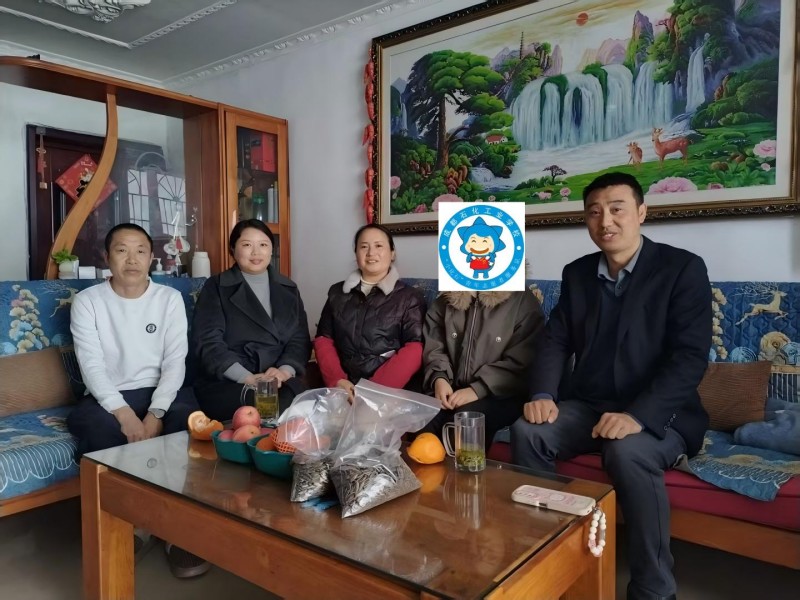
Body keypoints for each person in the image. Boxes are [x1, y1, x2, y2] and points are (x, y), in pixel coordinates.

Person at [510, 172, 712, 600]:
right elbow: (556, 339)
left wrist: (638, 416)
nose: (606, 221)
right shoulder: (578, 273)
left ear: (641, 212)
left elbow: (690, 357)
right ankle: (549, 559)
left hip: (660, 412)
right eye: (594, 211)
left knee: (627, 451)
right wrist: (543, 394)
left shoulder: (682, 268)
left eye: (617, 209)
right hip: (590, 405)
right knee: (529, 431)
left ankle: (654, 588)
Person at [66, 222, 209, 579]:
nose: (132, 259)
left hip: (164, 390)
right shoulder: (87, 302)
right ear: (106, 257)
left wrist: (156, 412)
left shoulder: (168, 299)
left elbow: (175, 362)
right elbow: (91, 366)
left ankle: (179, 531)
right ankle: (129, 524)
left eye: (140, 251)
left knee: (189, 428)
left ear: (151, 258)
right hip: (109, 396)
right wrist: (124, 414)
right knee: (99, 430)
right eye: (121, 250)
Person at [192, 219, 311, 421]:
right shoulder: (216, 287)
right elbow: (208, 342)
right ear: (233, 249)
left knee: (309, 406)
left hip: (279, 379)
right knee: (266, 410)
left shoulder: (288, 288)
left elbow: (299, 339)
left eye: (263, 245)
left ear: (271, 249)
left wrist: (284, 371)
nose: (256, 252)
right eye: (247, 245)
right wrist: (245, 377)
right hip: (230, 381)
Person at [420, 286, 544, 447]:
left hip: (500, 394)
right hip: (450, 388)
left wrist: (478, 389)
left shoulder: (523, 301)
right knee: (424, 422)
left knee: (464, 427)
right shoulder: (447, 297)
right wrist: (439, 377)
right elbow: (435, 344)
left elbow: (522, 361)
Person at [314, 224, 426, 398]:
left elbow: (414, 348)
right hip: (342, 387)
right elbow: (323, 339)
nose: (371, 252)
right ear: (356, 254)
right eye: (364, 246)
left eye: (379, 246)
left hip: (387, 392)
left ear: (392, 253)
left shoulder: (409, 297)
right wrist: (338, 380)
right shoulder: (337, 292)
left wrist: (373, 391)